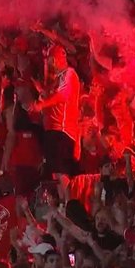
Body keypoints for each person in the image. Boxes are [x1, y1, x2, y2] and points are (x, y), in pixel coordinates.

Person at [31, 45, 80, 203]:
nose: (50, 64)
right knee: (56, 174)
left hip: (62, 131)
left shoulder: (69, 74)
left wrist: (41, 105)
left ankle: (68, 207)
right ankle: (63, 206)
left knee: (61, 173)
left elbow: (63, 96)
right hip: (54, 131)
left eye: (51, 60)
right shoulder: (58, 78)